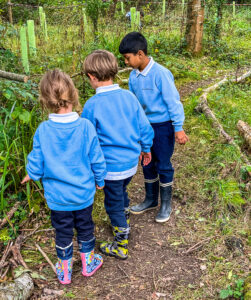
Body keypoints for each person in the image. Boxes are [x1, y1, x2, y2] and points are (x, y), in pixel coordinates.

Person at [21, 69, 106, 284]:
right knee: (85, 227)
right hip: (83, 194)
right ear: (74, 95)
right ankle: (88, 263)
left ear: (45, 101)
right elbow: (96, 158)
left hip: (58, 198)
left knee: (62, 231)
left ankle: (65, 270)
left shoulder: (43, 130)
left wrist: (31, 173)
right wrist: (100, 179)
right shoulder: (85, 126)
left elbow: (37, 159)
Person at [82, 50, 154, 259]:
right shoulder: (128, 97)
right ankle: (124, 214)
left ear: (92, 77)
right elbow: (144, 126)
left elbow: (87, 139)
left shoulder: (92, 105)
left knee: (112, 203)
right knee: (120, 191)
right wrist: (146, 148)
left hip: (109, 168)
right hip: (131, 164)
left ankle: (121, 244)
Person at [119, 32, 189, 223]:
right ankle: (150, 199)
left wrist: (178, 127)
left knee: (163, 163)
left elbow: (173, 102)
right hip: (144, 128)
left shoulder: (161, 74)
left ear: (140, 54)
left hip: (163, 127)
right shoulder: (133, 77)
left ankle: (165, 203)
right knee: (147, 163)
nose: (126, 62)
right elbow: (134, 104)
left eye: (127, 58)